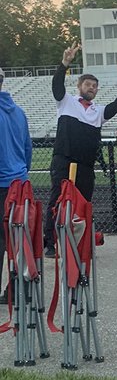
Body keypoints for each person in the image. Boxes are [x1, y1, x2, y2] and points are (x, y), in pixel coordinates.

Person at [43, 45, 117, 253]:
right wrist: (64, 63)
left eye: (94, 86)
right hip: (64, 159)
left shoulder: (97, 111)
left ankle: (80, 242)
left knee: (84, 203)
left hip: (86, 165)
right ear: (79, 86)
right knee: (57, 199)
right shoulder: (66, 101)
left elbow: (114, 107)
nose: (91, 88)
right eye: (88, 84)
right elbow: (57, 86)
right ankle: (51, 243)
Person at [0, 67, 33, 281]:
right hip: (19, 183)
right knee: (17, 239)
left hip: (2, 183)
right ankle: (16, 289)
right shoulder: (19, 112)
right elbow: (27, 148)